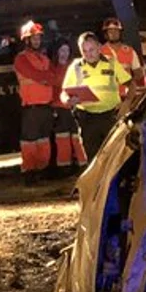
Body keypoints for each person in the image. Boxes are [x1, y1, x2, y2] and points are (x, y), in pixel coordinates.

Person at [63, 32, 132, 159]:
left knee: (114, 156)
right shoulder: (76, 67)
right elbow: (64, 93)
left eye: (91, 50)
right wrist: (68, 101)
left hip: (110, 116)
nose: (88, 54)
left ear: (99, 47)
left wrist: (126, 104)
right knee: (93, 158)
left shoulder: (111, 63)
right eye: (84, 51)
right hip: (87, 119)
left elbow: (131, 85)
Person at [12, 21, 58, 177]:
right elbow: (37, 75)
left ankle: (42, 169)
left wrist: (47, 79)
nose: (37, 41)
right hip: (31, 108)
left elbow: (54, 77)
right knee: (30, 141)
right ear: (26, 40)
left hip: (46, 106)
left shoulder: (44, 58)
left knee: (44, 140)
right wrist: (47, 78)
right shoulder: (21, 59)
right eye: (34, 38)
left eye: (38, 38)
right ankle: (30, 172)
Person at [50, 39, 88, 173]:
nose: (64, 54)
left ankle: (83, 165)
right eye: (61, 50)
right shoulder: (52, 68)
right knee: (62, 138)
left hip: (74, 107)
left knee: (78, 137)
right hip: (59, 108)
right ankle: (64, 167)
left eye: (66, 50)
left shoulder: (74, 67)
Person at [100, 17, 146, 104]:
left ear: (120, 33)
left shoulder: (129, 51)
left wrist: (129, 84)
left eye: (116, 31)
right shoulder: (100, 52)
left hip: (126, 96)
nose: (113, 34)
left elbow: (139, 73)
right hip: (107, 97)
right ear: (106, 34)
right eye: (110, 31)